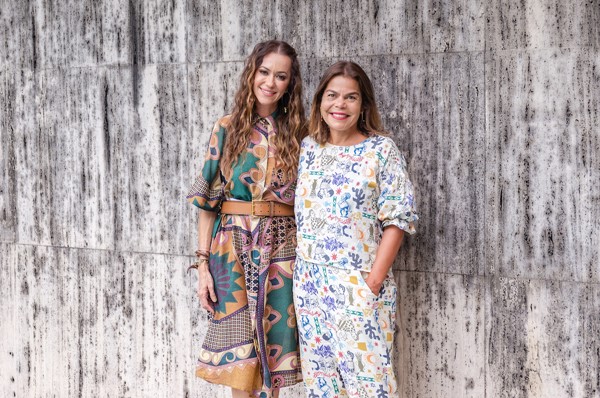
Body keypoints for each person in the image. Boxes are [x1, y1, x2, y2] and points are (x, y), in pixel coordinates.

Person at [186, 40, 306, 398]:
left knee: (273, 361)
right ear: (252, 73)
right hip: (231, 250)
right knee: (241, 365)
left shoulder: (301, 133)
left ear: (289, 84)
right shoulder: (226, 127)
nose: (270, 82)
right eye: (264, 72)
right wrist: (203, 266)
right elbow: (207, 203)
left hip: (284, 248)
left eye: (280, 76)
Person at [293, 61, 418, 397]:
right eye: (332, 95)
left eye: (350, 97)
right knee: (322, 386)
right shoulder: (308, 148)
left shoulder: (380, 150)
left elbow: (398, 218)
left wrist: (372, 282)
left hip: (357, 282)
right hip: (309, 285)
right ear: (319, 101)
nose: (340, 104)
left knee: (370, 384)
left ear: (363, 105)